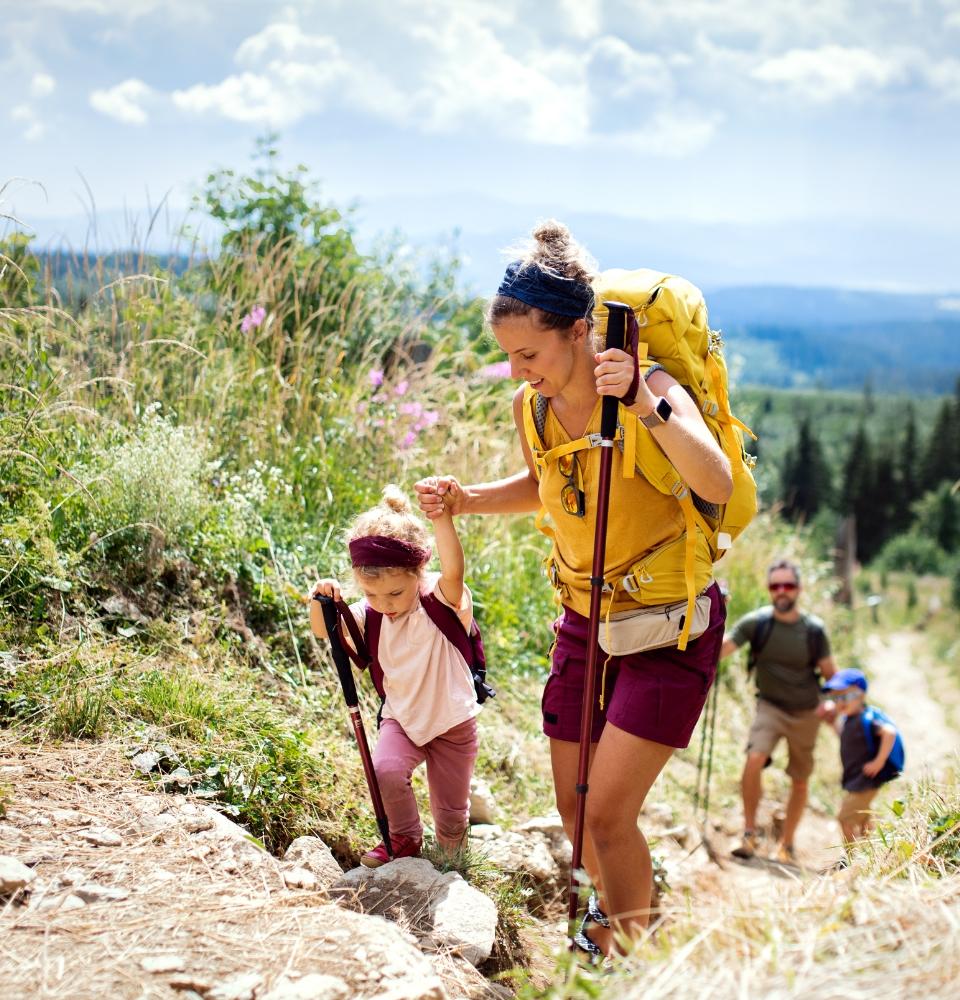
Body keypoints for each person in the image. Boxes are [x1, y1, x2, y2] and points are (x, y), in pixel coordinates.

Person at [416, 220, 732, 955]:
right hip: (584, 620)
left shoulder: (649, 386)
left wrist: (649, 409)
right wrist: (468, 499)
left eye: (529, 353)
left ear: (580, 331)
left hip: (667, 625)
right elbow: (546, 483)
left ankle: (631, 955)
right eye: (509, 357)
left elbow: (712, 478)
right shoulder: (534, 406)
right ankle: (607, 932)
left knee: (609, 815)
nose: (519, 369)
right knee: (573, 805)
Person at [309, 484, 481, 867]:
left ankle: (454, 858)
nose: (384, 605)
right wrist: (319, 599)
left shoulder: (439, 600)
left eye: (395, 594)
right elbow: (324, 631)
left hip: (452, 722)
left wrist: (442, 517)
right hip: (402, 717)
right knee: (385, 769)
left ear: (419, 573)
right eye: (372, 594)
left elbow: (454, 568)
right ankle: (404, 839)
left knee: (451, 812)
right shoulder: (370, 615)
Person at [719, 559, 836, 863]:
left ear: (799, 589)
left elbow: (831, 675)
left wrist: (837, 706)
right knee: (754, 758)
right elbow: (722, 649)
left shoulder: (813, 630)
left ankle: (787, 843)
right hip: (769, 706)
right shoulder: (756, 623)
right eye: (775, 586)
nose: (782, 591)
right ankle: (749, 834)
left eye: (788, 585)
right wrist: (714, 614)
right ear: (769, 590)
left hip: (806, 712)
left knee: (799, 779)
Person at [821, 667, 901, 850]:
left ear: (861, 695)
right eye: (835, 698)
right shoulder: (850, 720)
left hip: (866, 779)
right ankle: (871, 852)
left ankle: (852, 857)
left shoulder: (866, 718)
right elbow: (846, 739)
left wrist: (878, 762)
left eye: (845, 697)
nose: (840, 703)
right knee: (864, 817)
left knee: (844, 818)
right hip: (857, 778)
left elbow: (889, 732)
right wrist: (832, 724)